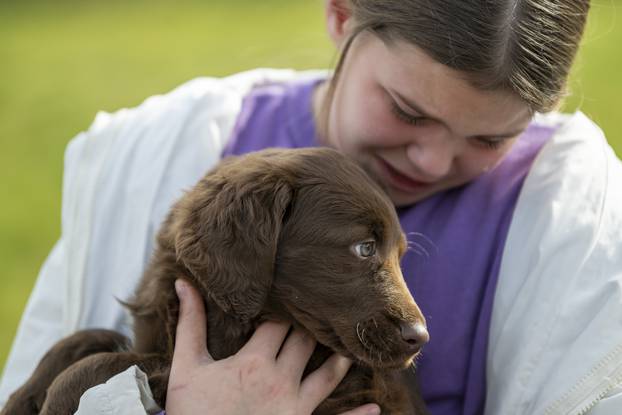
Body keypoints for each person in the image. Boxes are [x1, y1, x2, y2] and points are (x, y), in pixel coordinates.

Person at [1, 0, 621, 414]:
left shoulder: (579, 229)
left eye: (490, 138)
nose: (431, 161)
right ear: (342, 13)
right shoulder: (155, 150)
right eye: (407, 111)